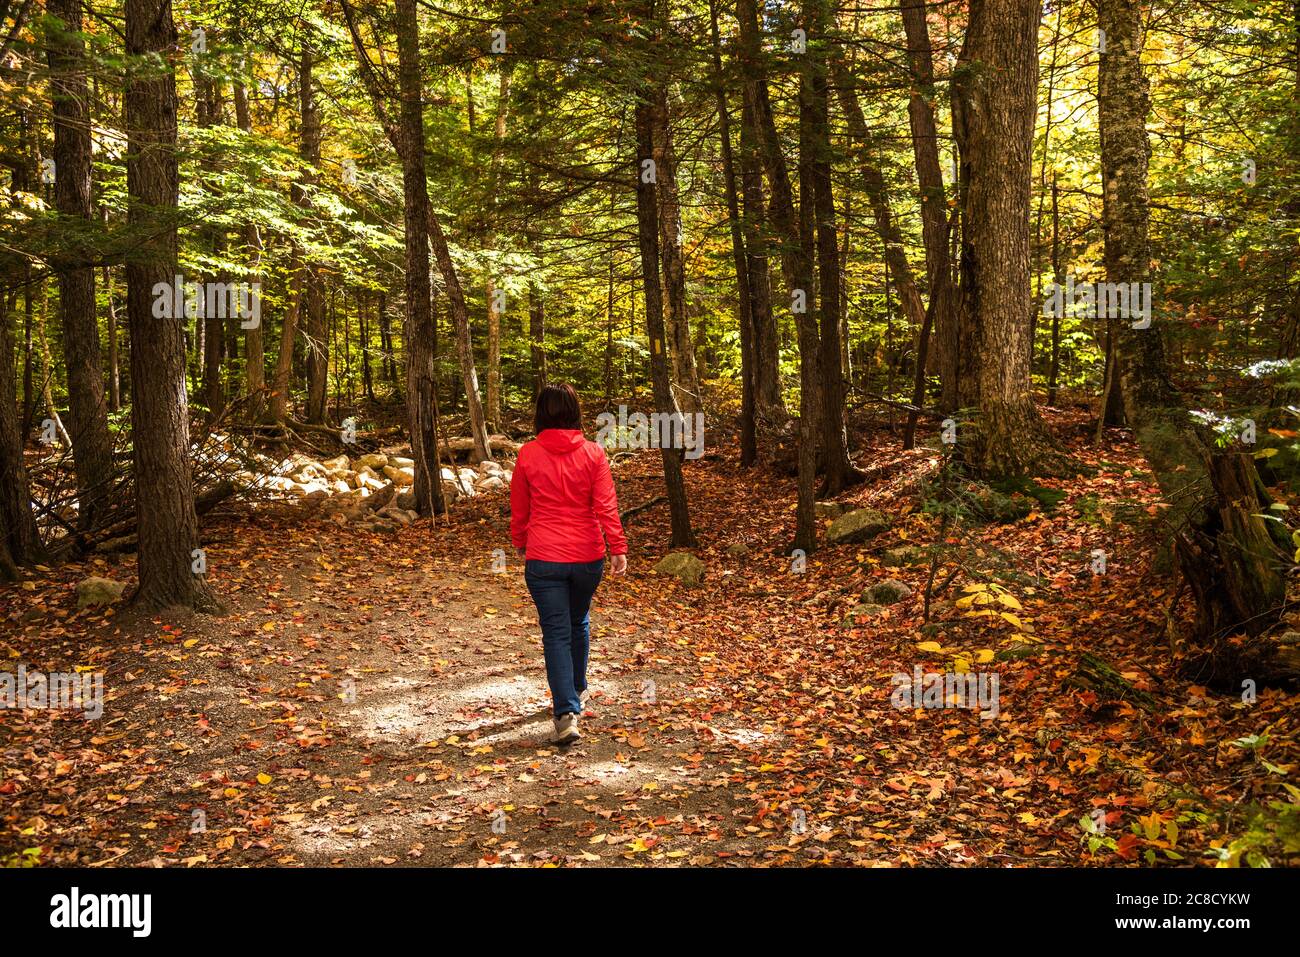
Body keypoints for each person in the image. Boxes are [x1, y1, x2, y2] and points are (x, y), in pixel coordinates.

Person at [510, 384, 628, 744]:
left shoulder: (528, 454)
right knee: (577, 621)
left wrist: (520, 542)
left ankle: (566, 711)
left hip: (544, 556)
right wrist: (617, 547)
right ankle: (575, 690)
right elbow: (606, 503)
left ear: (540, 414)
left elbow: (520, 507)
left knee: (557, 631)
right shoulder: (594, 453)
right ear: (575, 412)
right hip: (587, 557)